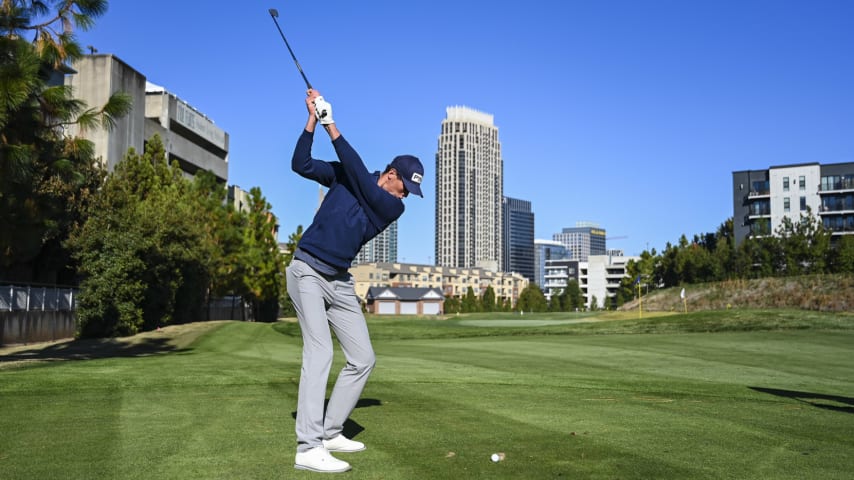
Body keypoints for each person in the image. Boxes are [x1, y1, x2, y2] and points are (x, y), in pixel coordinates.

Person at [286, 89, 424, 473]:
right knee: (321, 353)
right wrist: (314, 120)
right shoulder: (350, 175)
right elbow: (301, 163)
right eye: (406, 188)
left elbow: (361, 178)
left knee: (363, 358)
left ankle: (330, 431)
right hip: (308, 271)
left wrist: (333, 124)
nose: (406, 197)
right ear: (392, 175)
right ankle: (308, 447)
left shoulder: (390, 207)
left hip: (339, 282)